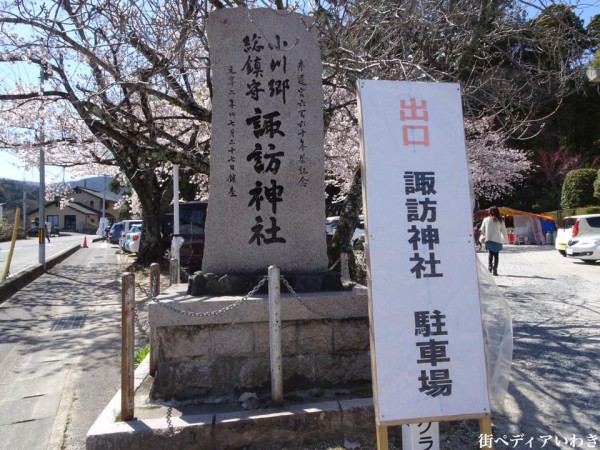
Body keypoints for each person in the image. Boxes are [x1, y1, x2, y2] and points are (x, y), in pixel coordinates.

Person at [479, 206, 508, 276]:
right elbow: (504, 231)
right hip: (497, 239)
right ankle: (495, 269)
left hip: (488, 239)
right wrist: (507, 240)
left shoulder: (486, 219)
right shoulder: (500, 220)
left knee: (490, 253)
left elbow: (482, 229)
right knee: (496, 255)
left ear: (490, 212)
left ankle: (489, 267)